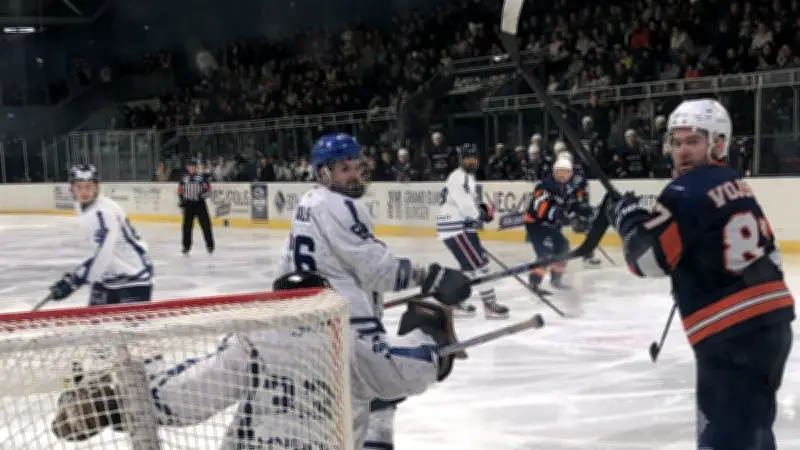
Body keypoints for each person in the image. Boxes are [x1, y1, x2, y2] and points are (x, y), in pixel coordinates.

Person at [50, 272, 465, 450]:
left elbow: (189, 395)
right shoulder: (350, 346)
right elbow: (415, 366)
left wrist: (117, 406)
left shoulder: (256, 340)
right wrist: (428, 327)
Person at [605, 98, 795, 449]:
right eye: (676, 142)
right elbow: (770, 252)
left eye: (693, 141)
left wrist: (626, 217)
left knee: (723, 439)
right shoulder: (736, 183)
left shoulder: (684, 191)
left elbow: (646, 261)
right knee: (754, 433)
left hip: (731, 338)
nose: (682, 151)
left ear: (718, 144)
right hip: (773, 327)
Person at [48, 164, 153, 306]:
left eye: (88, 186)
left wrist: (75, 281)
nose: (84, 191)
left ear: (97, 187)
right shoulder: (84, 207)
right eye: (79, 187)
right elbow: (97, 250)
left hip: (133, 277)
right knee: (94, 321)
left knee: (123, 322)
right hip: (107, 277)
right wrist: (75, 278)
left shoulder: (103, 213)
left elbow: (104, 252)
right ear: (71, 188)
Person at [436, 142, 510, 319]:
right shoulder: (460, 177)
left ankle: (453, 301)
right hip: (456, 229)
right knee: (480, 266)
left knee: (469, 268)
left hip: (459, 228)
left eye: (473, 158)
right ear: (460, 160)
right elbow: (466, 207)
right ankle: (490, 305)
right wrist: (480, 214)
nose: (471, 161)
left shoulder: (464, 177)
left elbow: (468, 204)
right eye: (467, 158)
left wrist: (480, 210)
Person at [524, 157, 578, 291]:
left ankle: (556, 280)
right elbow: (539, 209)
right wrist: (558, 214)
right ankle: (534, 282)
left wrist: (573, 216)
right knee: (546, 253)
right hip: (536, 225)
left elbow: (569, 207)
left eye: (566, 171)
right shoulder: (544, 186)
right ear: (554, 171)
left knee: (563, 247)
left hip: (551, 225)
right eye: (560, 171)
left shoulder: (568, 188)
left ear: (570, 173)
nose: (562, 174)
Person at [178, 157, 214, 256]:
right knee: (187, 227)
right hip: (188, 204)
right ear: (187, 167)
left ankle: (210, 245)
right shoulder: (184, 179)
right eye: (190, 166)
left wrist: (201, 196)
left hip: (200, 204)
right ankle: (186, 247)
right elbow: (180, 191)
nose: (192, 168)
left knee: (206, 225)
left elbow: (208, 190)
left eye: (194, 166)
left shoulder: (202, 178)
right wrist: (182, 203)